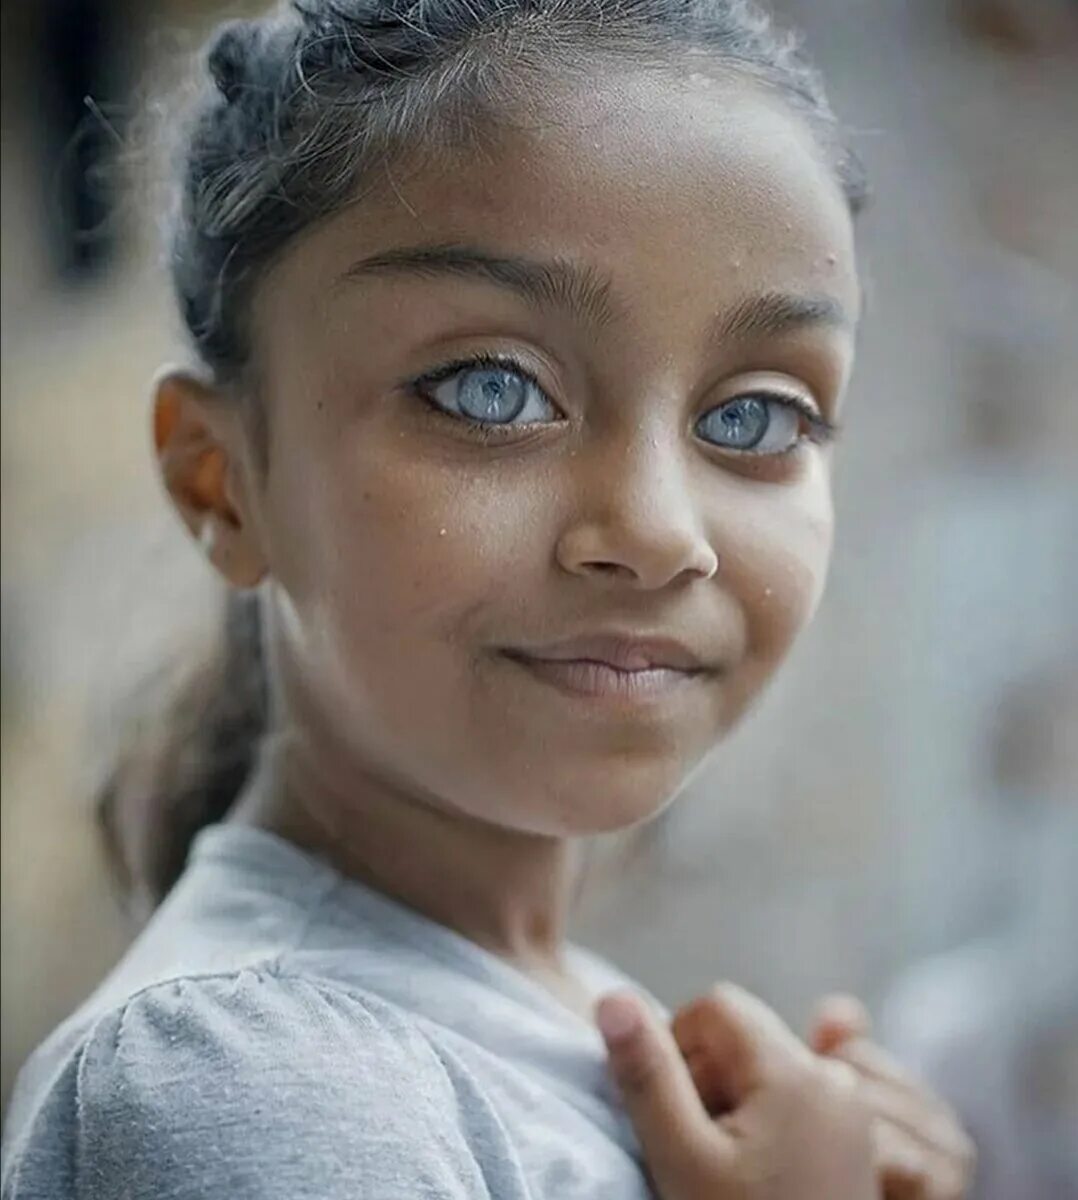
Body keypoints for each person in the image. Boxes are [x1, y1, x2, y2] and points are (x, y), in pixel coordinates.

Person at [1, 1, 974, 1197]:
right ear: (222, 483)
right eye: (494, 391)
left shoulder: (604, 1055)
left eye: (754, 416)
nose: (661, 536)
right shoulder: (243, 1082)